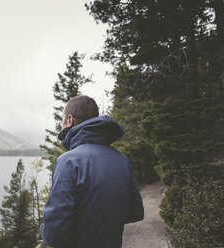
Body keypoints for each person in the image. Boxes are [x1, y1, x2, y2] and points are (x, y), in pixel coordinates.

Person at [37, 95, 144, 248]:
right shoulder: (121, 160)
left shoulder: (68, 161)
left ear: (69, 120)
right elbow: (135, 212)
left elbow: (54, 234)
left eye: (62, 121)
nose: (61, 125)